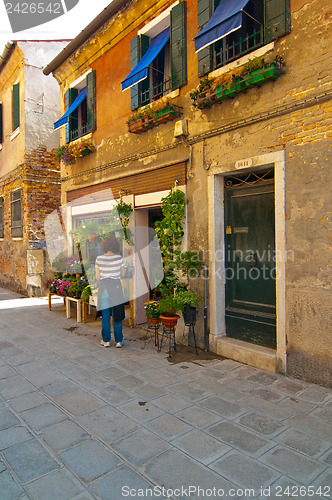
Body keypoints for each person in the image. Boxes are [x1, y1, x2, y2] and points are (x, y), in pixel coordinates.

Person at [95, 236, 125, 348]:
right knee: (117, 315)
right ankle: (118, 341)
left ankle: (106, 340)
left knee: (106, 316)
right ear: (115, 246)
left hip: (104, 289)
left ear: (104, 247)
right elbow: (122, 273)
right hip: (116, 288)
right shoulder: (119, 258)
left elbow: (98, 277)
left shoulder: (99, 259)